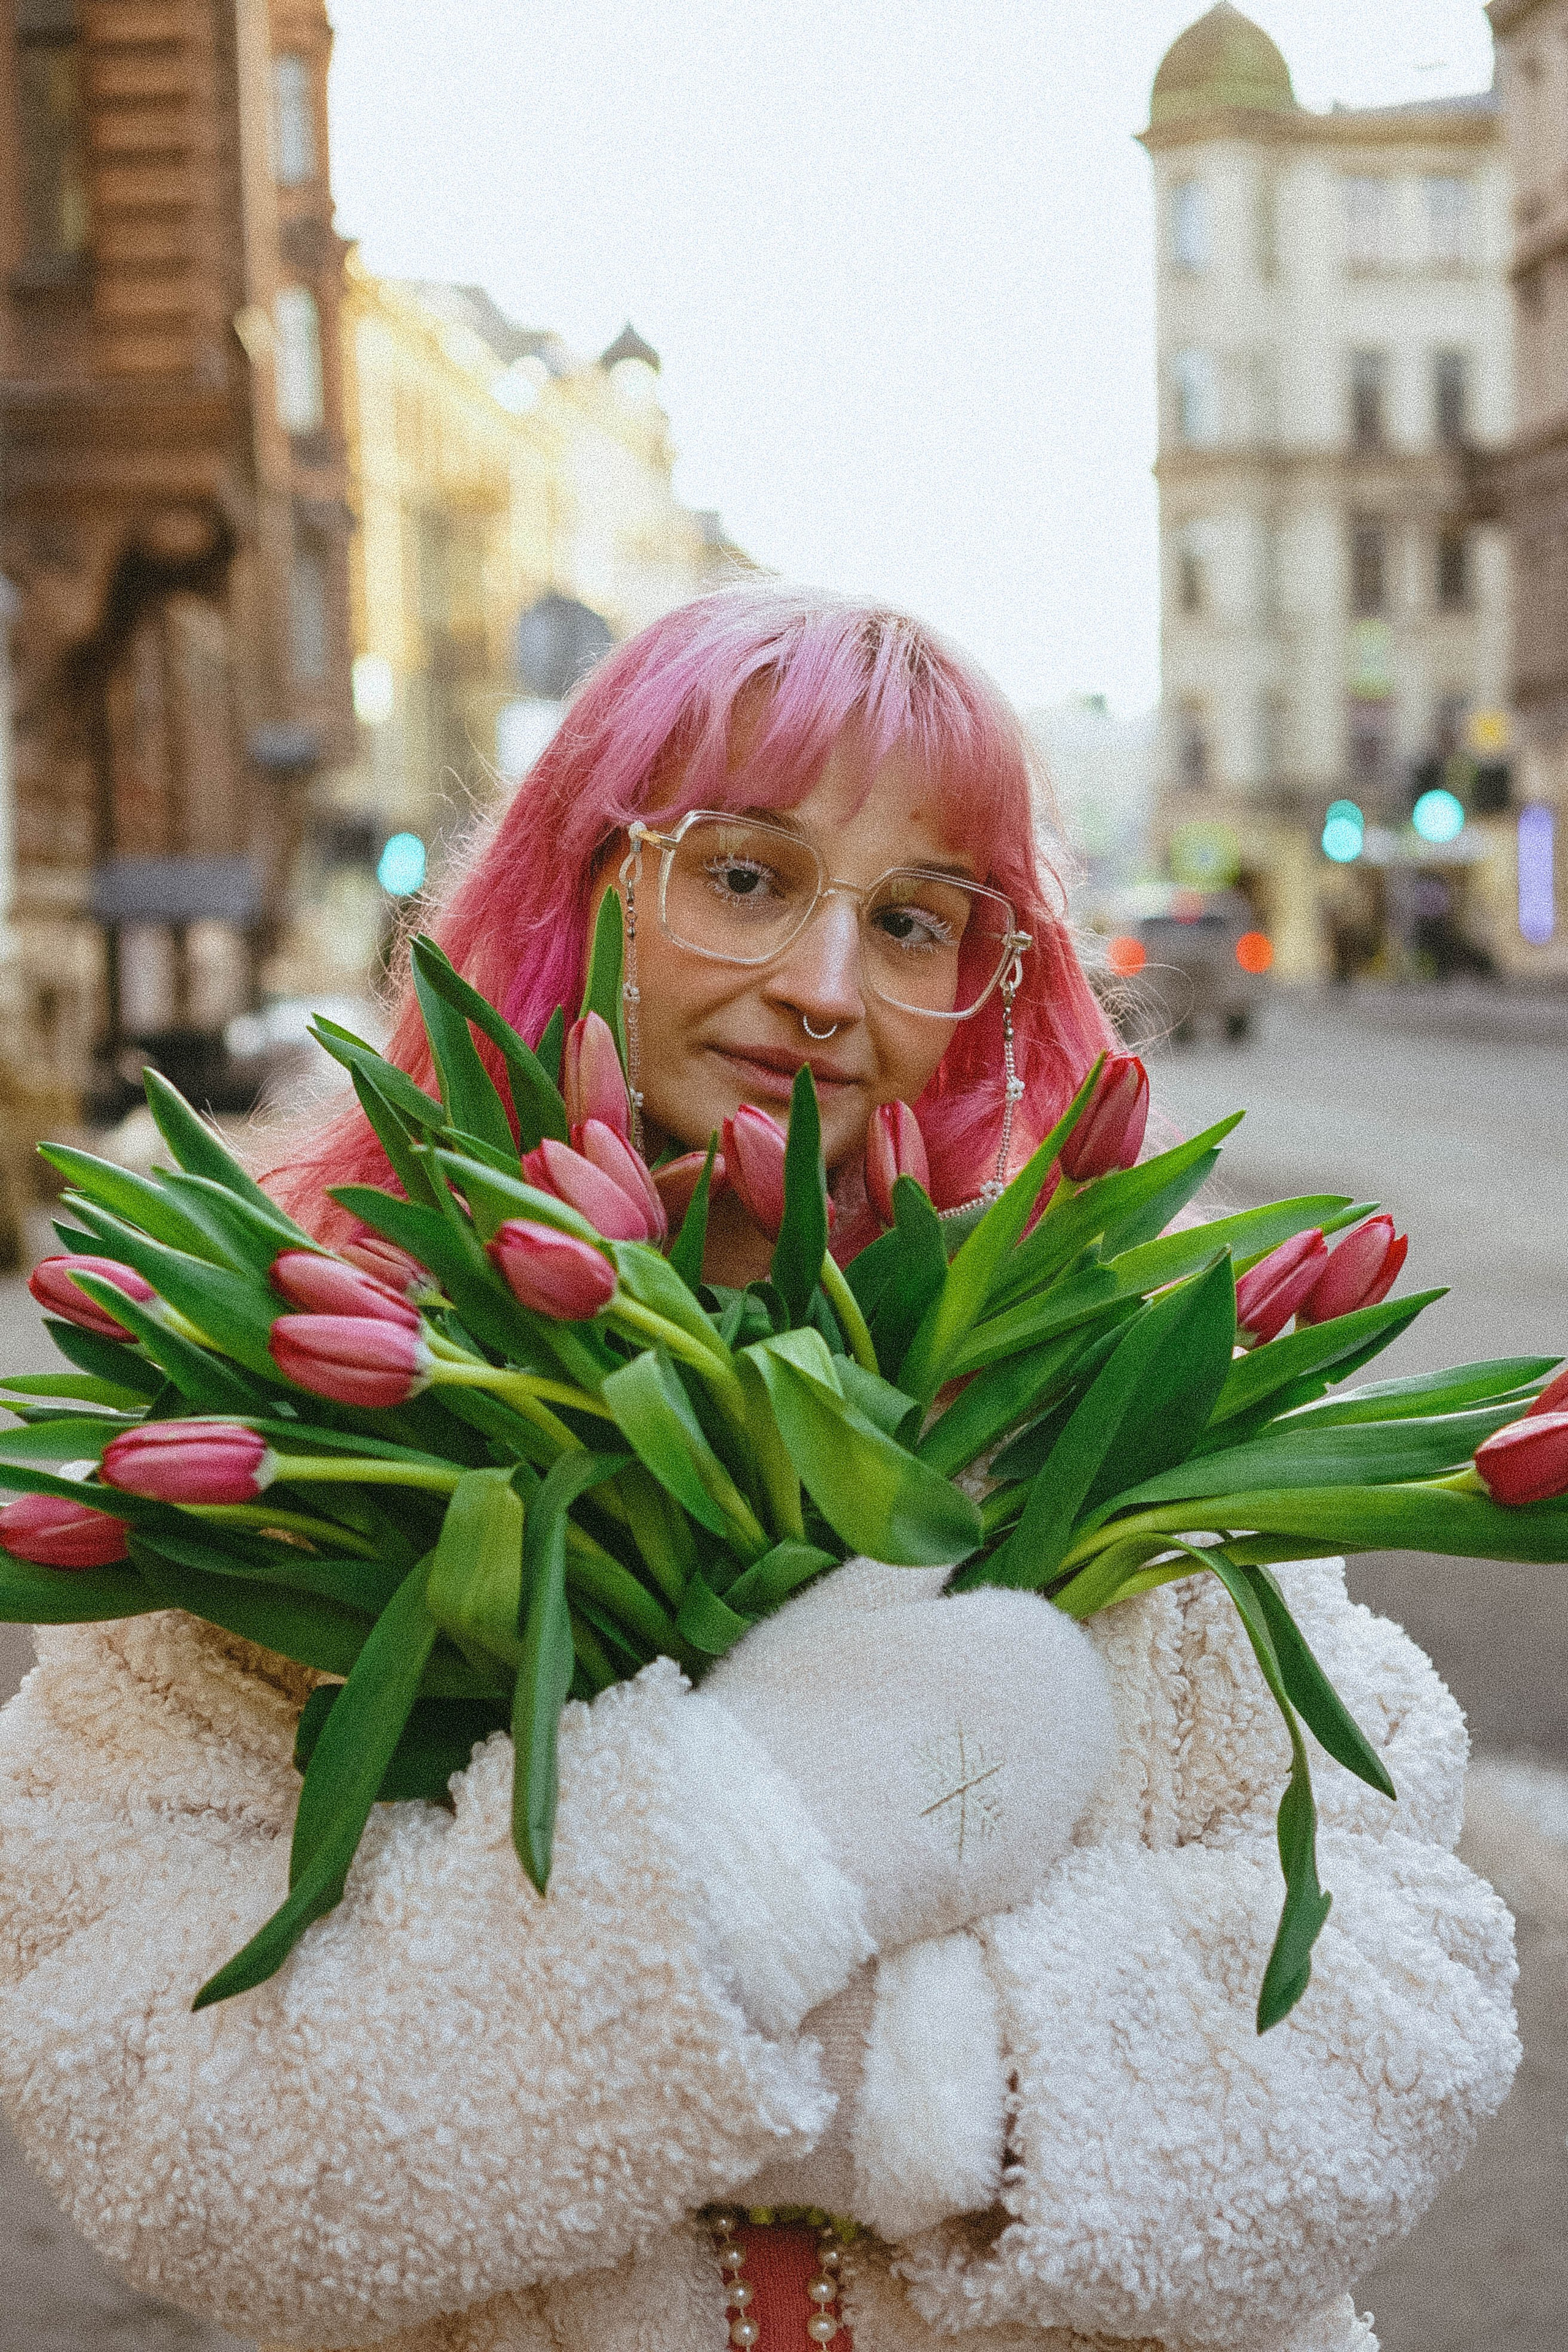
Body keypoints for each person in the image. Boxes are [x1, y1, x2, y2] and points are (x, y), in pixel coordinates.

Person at [0, 588, 1518, 2352]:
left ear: (985, 985)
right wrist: (757, 1846)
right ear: (587, 887)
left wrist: (907, 2077)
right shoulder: (300, 1438)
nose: (820, 987)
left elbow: (1393, 2017)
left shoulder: (1123, 1412)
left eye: (911, 921)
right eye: (743, 876)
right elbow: (169, 2119)